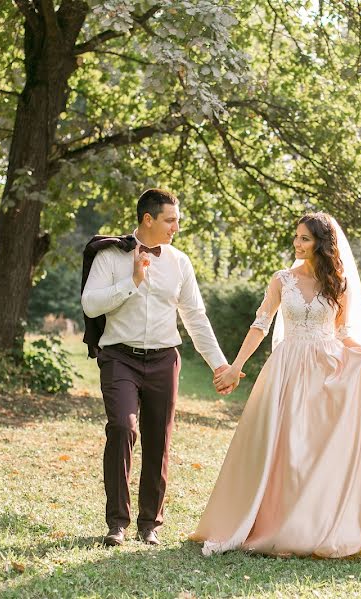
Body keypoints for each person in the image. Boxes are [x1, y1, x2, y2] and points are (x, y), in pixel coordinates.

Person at [191, 212, 361, 558]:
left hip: (328, 368)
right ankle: (276, 520)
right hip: (288, 368)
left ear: (321, 244)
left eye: (305, 238)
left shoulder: (338, 283)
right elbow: (260, 324)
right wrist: (236, 366)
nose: (297, 243)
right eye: (296, 237)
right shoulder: (282, 280)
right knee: (285, 448)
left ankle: (321, 520)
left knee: (316, 449)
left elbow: (342, 333)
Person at [81, 188, 241, 547]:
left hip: (163, 359)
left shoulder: (180, 262)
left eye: (178, 220)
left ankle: (150, 523)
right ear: (148, 219)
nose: (176, 227)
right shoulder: (110, 256)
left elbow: (195, 318)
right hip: (119, 356)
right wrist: (132, 282)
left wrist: (220, 364)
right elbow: (90, 305)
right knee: (122, 428)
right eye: (170, 220)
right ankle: (117, 523)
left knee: (159, 440)